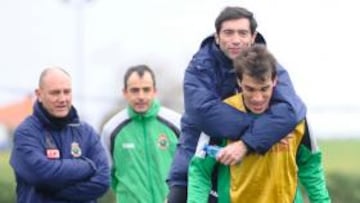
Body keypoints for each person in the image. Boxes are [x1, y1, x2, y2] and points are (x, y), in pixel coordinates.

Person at [167, 6, 307, 202]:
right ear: (217, 36)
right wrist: (264, 131)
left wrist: (248, 142)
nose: (235, 40)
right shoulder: (199, 67)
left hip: (248, 164)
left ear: (253, 36)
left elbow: (292, 109)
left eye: (242, 33)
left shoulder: (269, 66)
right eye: (228, 33)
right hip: (196, 161)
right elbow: (204, 113)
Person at [187, 44, 331, 203]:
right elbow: (200, 171)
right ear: (239, 81)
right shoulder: (220, 116)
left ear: (275, 80)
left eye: (264, 89)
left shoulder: (296, 117)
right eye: (250, 89)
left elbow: (311, 167)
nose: (257, 98)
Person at [10, 67, 110, 203]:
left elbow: (102, 181)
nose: (62, 99)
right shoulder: (26, 133)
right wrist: (87, 167)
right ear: (39, 94)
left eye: (67, 92)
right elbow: (41, 176)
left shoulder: (87, 133)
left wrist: (52, 190)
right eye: (55, 93)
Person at [101, 65, 181, 203]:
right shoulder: (111, 129)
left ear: (155, 91)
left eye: (146, 90)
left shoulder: (177, 123)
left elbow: (189, 169)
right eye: (134, 90)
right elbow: (108, 175)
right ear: (125, 93)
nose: (141, 96)